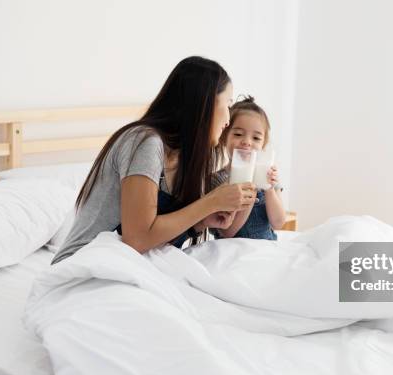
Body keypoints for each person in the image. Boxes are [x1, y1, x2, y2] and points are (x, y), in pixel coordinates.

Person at [51, 56, 257, 264]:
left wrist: (200, 223)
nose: (228, 119)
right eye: (228, 105)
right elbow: (137, 238)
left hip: (124, 266)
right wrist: (209, 203)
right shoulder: (144, 142)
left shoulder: (184, 161)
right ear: (205, 103)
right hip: (81, 266)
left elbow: (153, 239)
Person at [211, 96, 286, 240]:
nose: (247, 142)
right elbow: (227, 233)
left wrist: (269, 188)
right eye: (238, 134)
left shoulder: (268, 176)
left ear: (263, 145)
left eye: (256, 138)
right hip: (233, 251)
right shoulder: (217, 180)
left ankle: (345, 261)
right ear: (224, 137)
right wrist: (248, 196)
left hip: (265, 249)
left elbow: (278, 223)